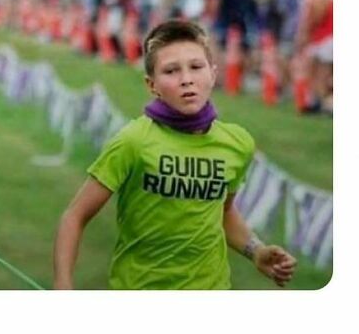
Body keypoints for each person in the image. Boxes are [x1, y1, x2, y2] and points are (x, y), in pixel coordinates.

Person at [53, 19, 297, 290]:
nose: (186, 79)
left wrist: (257, 251)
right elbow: (74, 217)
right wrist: (63, 286)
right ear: (151, 84)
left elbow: (222, 211)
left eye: (196, 67)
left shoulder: (237, 143)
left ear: (213, 74)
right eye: (171, 71)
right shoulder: (133, 141)